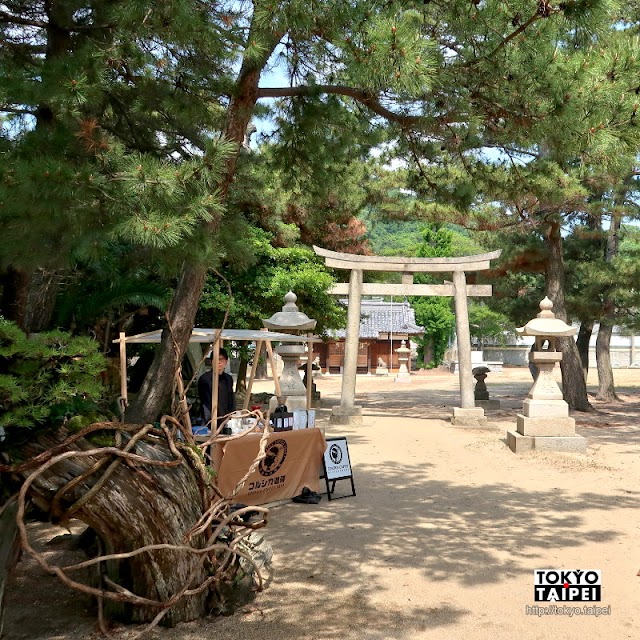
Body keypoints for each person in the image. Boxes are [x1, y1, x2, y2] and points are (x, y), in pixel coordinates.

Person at [197, 347, 236, 429]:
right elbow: (206, 402)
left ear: (226, 361)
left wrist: (231, 415)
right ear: (211, 362)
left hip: (226, 417)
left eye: (221, 359)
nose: (218, 362)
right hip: (210, 417)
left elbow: (230, 398)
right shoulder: (205, 379)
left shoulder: (228, 378)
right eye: (215, 359)